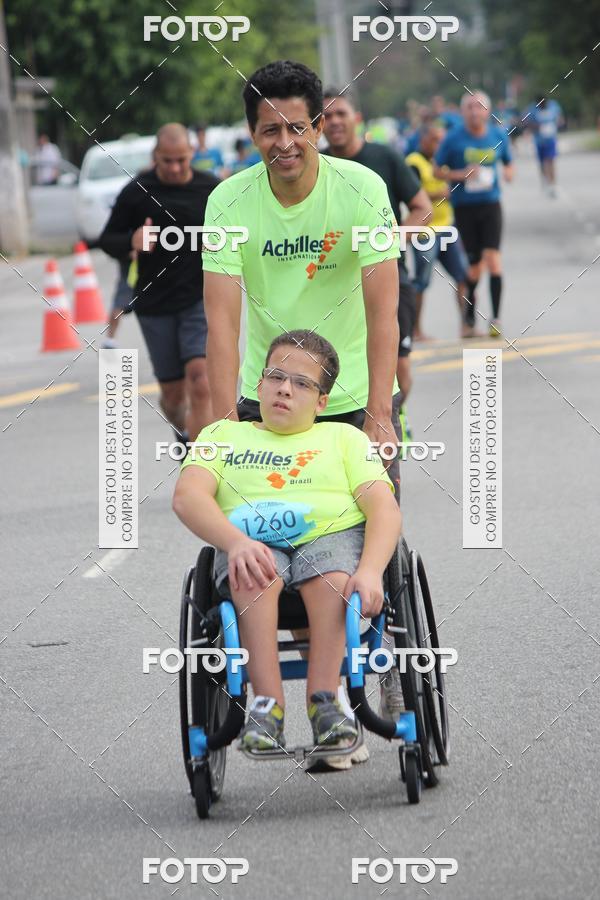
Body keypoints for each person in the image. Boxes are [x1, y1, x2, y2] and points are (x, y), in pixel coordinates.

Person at [201, 60, 407, 747]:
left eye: (297, 127)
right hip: (272, 400)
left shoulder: (362, 189)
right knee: (273, 545)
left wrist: (379, 413)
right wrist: (224, 425)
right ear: (251, 134)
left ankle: (370, 676)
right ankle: (298, 700)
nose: (284, 142)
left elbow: (383, 312)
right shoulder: (229, 202)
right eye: (269, 130)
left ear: (319, 126)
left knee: (360, 537)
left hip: (351, 397)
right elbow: (221, 323)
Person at [173, 331, 403, 752]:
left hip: (330, 536)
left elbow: (383, 509)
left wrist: (371, 571)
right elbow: (188, 496)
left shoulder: (345, 439)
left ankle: (325, 700)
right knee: (251, 572)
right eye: (276, 377)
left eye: (301, 383)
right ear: (259, 384)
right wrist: (235, 543)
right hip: (250, 540)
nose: (284, 389)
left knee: (332, 575)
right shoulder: (221, 436)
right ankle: (267, 705)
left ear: (321, 402)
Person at [98, 123, 219, 443]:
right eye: (168, 161)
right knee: (174, 396)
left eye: (181, 160)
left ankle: (200, 458)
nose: (175, 167)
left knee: (201, 380)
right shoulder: (137, 192)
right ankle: (182, 432)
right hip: (154, 304)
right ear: (155, 156)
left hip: (200, 299)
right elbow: (107, 239)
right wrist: (132, 240)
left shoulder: (211, 188)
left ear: (192, 153)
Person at [321, 88, 432, 407]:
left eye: (341, 113)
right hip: (335, 283)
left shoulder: (384, 157)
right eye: (326, 116)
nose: (334, 121)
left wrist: (389, 243)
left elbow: (423, 209)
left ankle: (394, 416)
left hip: (389, 277)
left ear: (356, 118)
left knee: (400, 371)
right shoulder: (316, 165)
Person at [435, 91, 514, 338]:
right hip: (464, 208)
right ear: (462, 112)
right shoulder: (453, 138)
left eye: (479, 106)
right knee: (473, 268)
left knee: (493, 260)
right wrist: (460, 175)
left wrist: (509, 172)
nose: (474, 111)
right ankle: (469, 318)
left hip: (491, 206)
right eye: (469, 107)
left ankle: (496, 318)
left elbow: (508, 162)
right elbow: (437, 170)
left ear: (487, 111)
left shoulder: (498, 135)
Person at [406, 123, 470, 339]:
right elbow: (411, 194)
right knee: (421, 282)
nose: (439, 144)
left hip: (447, 227)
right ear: (423, 140)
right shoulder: (413, 162)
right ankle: (415, 330)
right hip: (425, 233)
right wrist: (440, 194)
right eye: (435, 140)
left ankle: (466, 326)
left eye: (441, 140)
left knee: (463, 275)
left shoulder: (440, 162)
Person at [524, 96, 564, 196]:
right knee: (542, 163)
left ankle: (553, 184)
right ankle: (545, 180)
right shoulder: (532, 109)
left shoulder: (554, 106)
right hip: (539, 141)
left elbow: (560, 118)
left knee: (550, 161)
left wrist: (558, 123)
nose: (542, 106)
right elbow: (526, 122)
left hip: (550, 140)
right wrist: (537, 127)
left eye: (544, 104)